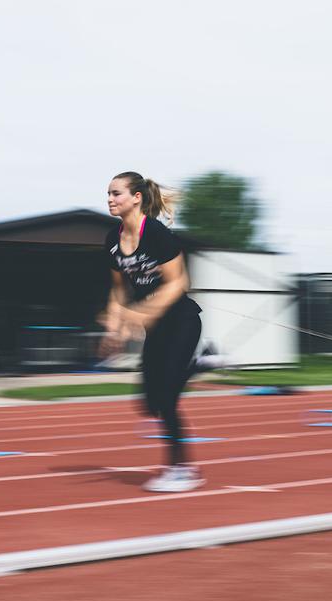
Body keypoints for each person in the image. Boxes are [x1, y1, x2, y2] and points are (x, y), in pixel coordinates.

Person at [100, 171, 205, 493]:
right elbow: (119, 290)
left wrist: (144, 312)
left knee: (169, 400)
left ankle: (181, 469)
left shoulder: (156, 233)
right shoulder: (112, 241)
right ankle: (202, 364)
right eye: (108, 193)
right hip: (156, 330)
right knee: (149, 404)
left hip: (182, 322)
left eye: (116, 193)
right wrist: (115, 325)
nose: (110, 199)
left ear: (136, 198)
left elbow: (178, 283)